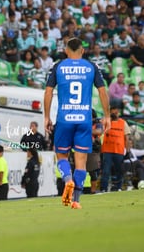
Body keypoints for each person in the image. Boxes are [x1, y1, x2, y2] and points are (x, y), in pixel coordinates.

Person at [44, 38, 111, 209]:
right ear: (82, 51)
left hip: (64, 119)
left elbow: (49, 92)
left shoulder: (58, 66)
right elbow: (103, 91)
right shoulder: (91, 67)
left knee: (61, 155)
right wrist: (107, 116)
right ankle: (76, 201)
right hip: (84, 120)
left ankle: (67, 180)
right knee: (81, 162)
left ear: (66, 51)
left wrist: (46, 117)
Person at [100, 106, 131, 192]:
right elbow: (100, 130)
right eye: (112, 112)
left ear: (118, 112)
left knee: (119, 170)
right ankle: (104, 188)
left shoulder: (123, 123)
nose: (113, 113)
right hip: (107, 150)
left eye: (115, 112)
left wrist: (127, 151)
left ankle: (119, 187)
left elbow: (127, 138)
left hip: (119, 150)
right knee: (106, 170)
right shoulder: (106, 122)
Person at [86, 110, 103, 194]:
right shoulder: (83, 122)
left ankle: (93, 191)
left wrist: (85, 130)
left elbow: (98, 131)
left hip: (93, 150)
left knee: (93, 172)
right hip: (81, 148)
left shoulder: (97, 124)